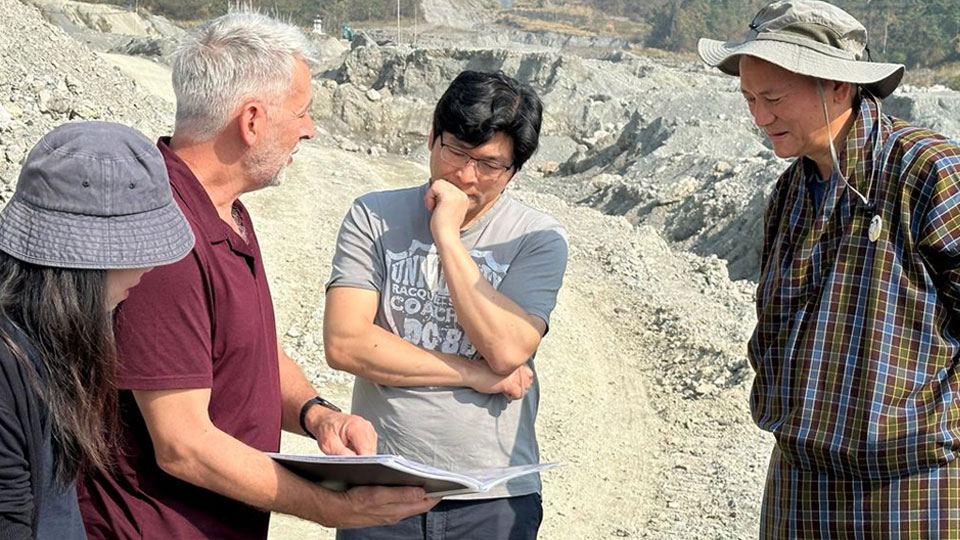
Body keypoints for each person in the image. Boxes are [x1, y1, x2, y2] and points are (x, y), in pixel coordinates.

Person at [77, 12, 437, 540]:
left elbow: (247, 349)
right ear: (251, 121)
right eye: (302, 111)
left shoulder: (225, 211)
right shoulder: (165, 239)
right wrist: (329, 508)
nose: (309, 128)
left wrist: (317, 415)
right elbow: (183, 444)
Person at [698, 0, 960, 536]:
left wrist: (930, 427)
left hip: (912, 483)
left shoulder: (929, 171)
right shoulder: (791, 191)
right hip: (800, 477)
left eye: (772, 98)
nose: (759, 117)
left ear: (839, 86)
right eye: (748, 98)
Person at [324, 69, 568, 539]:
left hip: (494, 494)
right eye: (455, 151)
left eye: (489, 164)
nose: (465, 175)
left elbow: (506, 350)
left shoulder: (537, 238)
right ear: (432, 137)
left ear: (514, 170)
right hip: (381, 485)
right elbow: (346, 343)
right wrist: (475, 374)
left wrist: (447, 239)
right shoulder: (371, 216)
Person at [0, 121, 195, 539]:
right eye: (139, 248)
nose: (151, 265)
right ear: (81, 263)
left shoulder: (47, 340)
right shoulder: (8, 371)